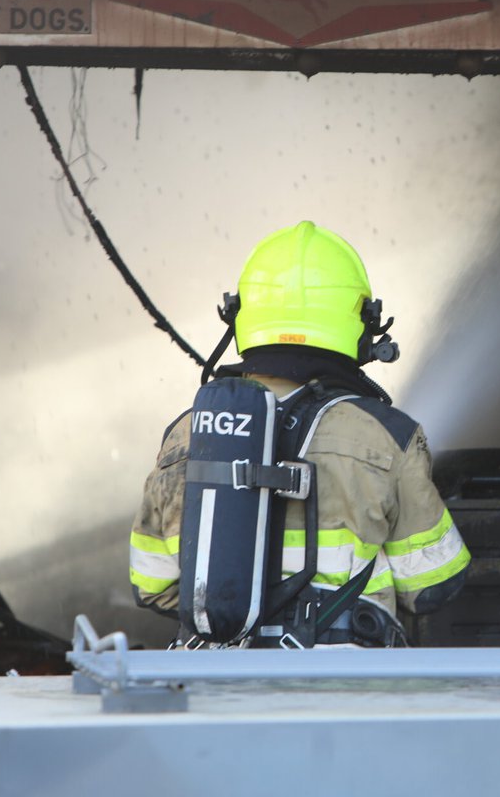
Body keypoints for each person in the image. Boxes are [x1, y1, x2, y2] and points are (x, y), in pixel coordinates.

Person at [127, 221, 469, 647]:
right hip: (344, 691)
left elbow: (152, 582)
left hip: (214, 688)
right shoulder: (386, 435)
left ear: (237, 316)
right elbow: (433, 583)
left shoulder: (188, 433)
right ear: (363, 324)